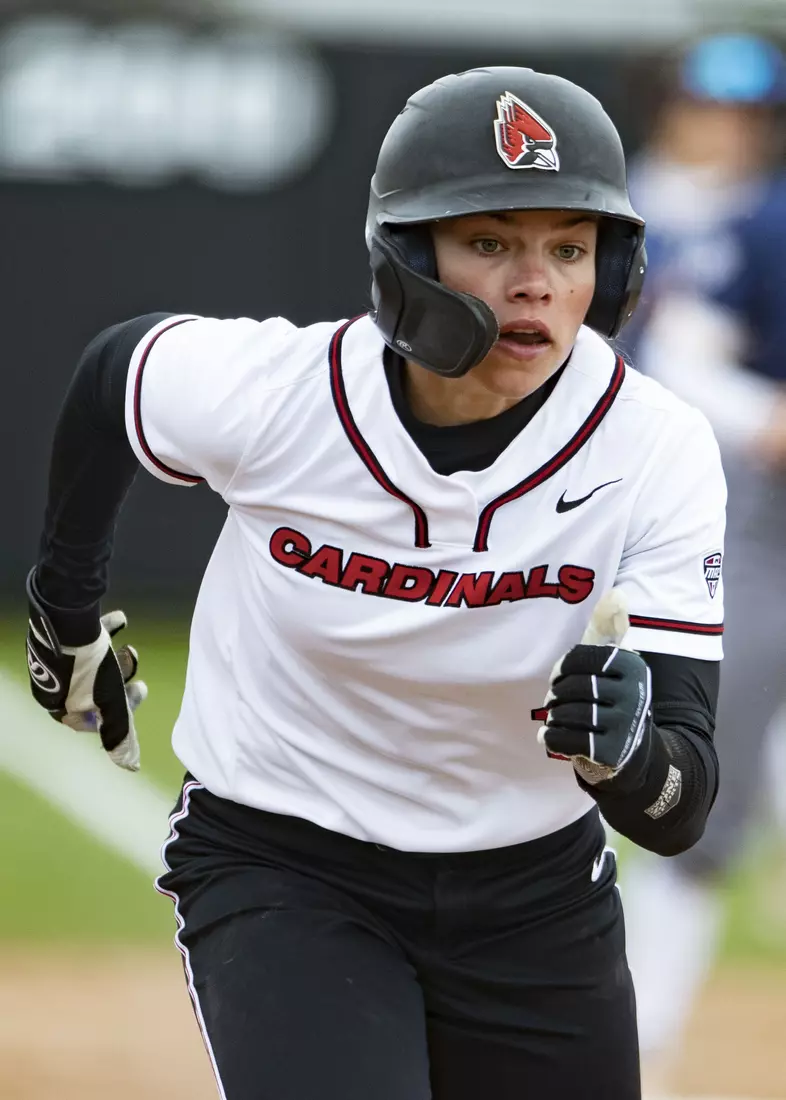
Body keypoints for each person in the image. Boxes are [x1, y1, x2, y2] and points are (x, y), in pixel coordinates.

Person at [24, 67, 725, 1100]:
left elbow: (681, 802)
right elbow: (112, 378)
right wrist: (62, 607)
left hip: (532, 891)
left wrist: (628, 755)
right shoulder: (279, 395)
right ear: (405, 253)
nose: (537, 282)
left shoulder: (654, 446)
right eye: (491, 242)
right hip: (285, 857)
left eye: (569, 249)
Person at [618, 34, 786, 1080]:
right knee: (688, 789)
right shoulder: (613, 200)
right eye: (707, 106)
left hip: (746, 525)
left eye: (746, 111)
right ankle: (625, 1047)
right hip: (655, 521)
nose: (726, 127)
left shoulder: (767, 220)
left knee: (712, 788)